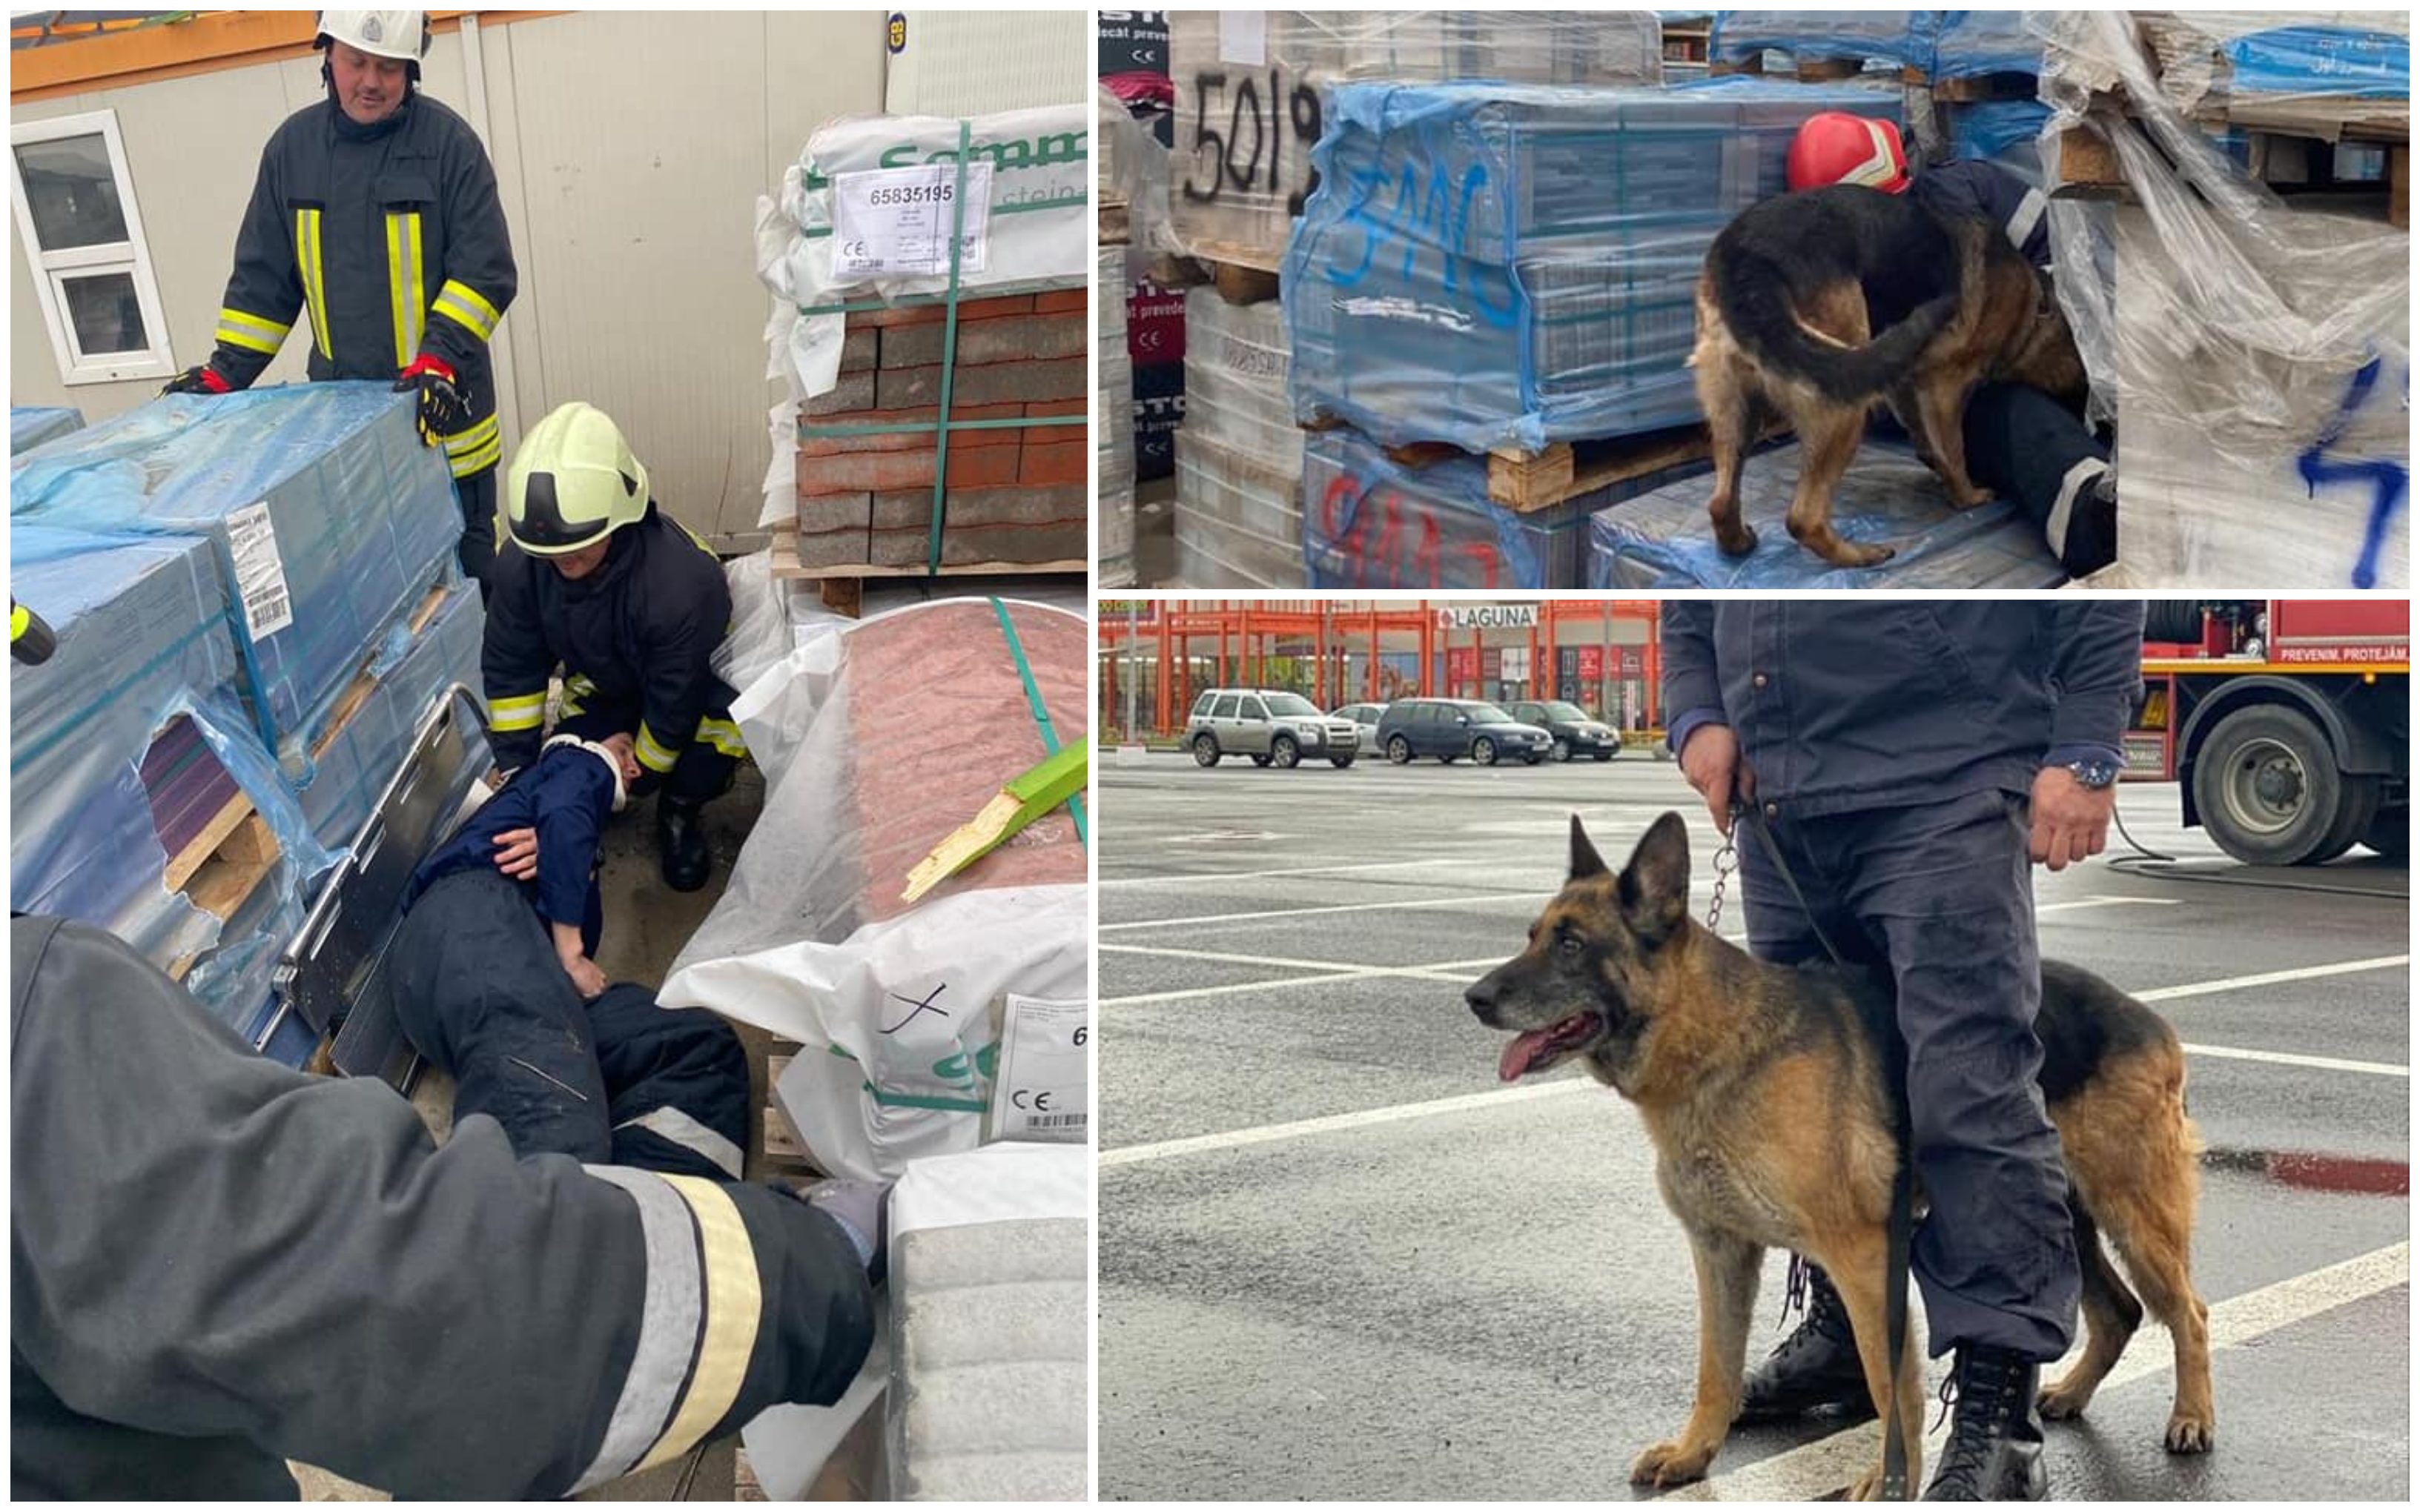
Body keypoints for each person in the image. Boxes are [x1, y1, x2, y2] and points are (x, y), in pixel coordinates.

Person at [10, 914, 881, 1499]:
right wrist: (811, 1268)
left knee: (675, 1053)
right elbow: (424, 1295)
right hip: (501, 969)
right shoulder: (37, 1032)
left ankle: (646, 1219)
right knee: (559, 1105)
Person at [1660, 600, 2146, 1502]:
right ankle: (1850, 1347)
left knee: (1972, 1096)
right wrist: (1697, 710)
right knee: (1811, 1124)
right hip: (1783, 807)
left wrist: (2084, 744)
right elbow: (1692, 601)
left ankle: (2001, 1412)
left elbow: (2105, 582)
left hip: (1941, 786)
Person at [162, 10, 518, 587]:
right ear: (327, 54)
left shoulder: (449, 146)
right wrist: (226, 373)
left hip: (447, 422)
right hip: (347, 429)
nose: (370, 81)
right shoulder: (291, 151)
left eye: (388, 66)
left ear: (411, 71)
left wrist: (440, 359)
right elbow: (264, 282)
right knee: (373, 584)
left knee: (473, 580)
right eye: (356, 61)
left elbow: (486, 270)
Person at [391, 729, 758, 1181]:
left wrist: (575, 862)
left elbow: (565, 825)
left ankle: (659, 1212)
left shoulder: (566, 834)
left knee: (697, 1045)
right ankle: (541, 1231)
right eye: (629, 755)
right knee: (550, 1112)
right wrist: (571, 954)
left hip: (498, 964)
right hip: (469, 920)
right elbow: (566, 809)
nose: (635, 768)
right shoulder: (580, 762)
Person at [1785, 111, 2118, 577]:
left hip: (2070, 346)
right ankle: (2092, 514)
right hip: (1981, 394)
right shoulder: (1849, 288)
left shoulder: (1967, 190)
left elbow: (2066, 252)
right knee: (2014, 421)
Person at [483, 401, 745, 892]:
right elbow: (511, 670)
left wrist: (634, 774)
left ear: (620, 519)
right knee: (570, 755)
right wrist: (521, 777)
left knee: (711, 743)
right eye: (548, 551)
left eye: (576, 546)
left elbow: (676, 697)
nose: (561, 560)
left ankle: (680, 811)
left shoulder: (681, 585)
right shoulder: (522, 568)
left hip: (699, 685)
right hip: (608, 676)